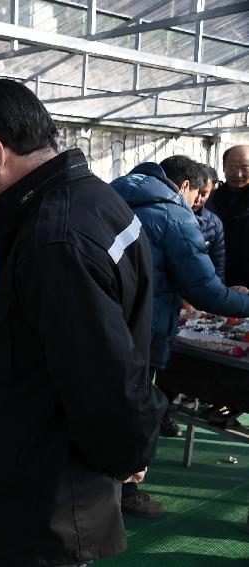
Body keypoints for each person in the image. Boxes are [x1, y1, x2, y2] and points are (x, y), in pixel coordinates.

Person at [0, 78, 166, 567]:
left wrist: (130, 450)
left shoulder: (53, 238)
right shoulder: (91, 198)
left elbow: (103, 378)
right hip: (54, 482)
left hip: (47, 493)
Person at [111, 155, 249, 514]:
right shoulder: (173, 214)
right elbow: (205, 290)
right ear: (184, 186)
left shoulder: (109, 198)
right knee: (136, 411)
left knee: (104, 405)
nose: (198, 204)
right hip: (146, 329)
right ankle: (125, 492)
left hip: (103, 324)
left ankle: (100, 488)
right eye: (197, 194)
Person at [208, 145, 249, 287]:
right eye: (232, 168)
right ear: (223, 168)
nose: (238, 174)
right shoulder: (209, 200)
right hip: (216, 279)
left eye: (245, 168)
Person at [193, 164, 225, 282]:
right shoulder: (167, 217)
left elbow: (218, 265)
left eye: (204, 194)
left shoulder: (213, 222)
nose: (197, 199)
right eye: (195, 191)